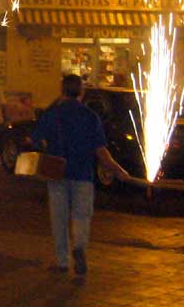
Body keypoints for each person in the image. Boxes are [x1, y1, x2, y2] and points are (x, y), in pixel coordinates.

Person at [30, 74, 129, 275]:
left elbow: (35, 140)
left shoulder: (53, 114)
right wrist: (118, 171)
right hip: (83, 175)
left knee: (59, 218)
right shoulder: (90, 117)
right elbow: (101, 151)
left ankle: (63, 262)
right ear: (81, 92)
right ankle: (79, 248)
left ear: (62, 90)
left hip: (57, 172)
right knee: (82, 217)